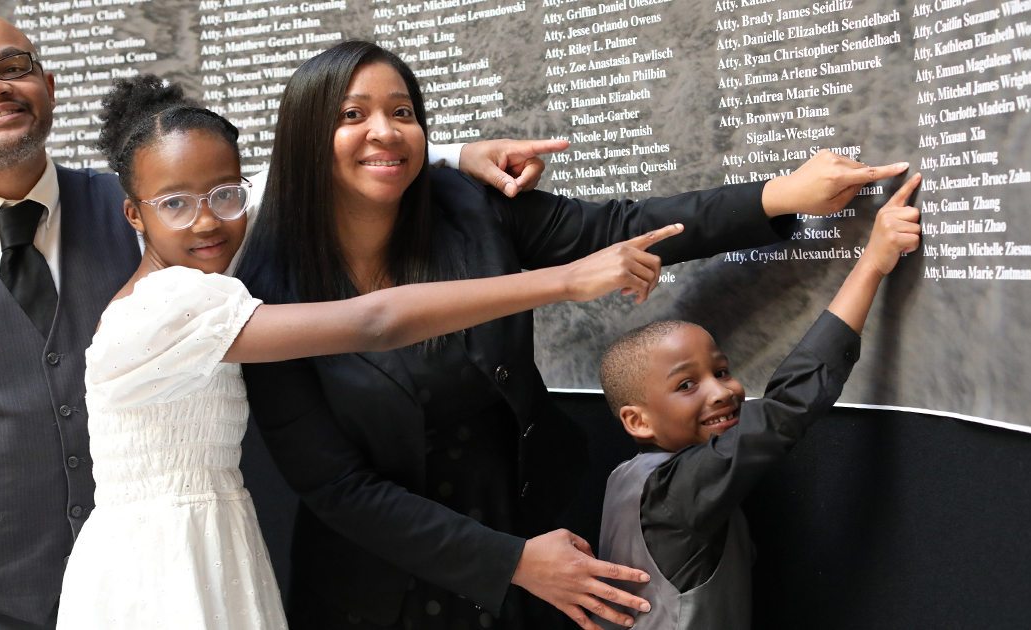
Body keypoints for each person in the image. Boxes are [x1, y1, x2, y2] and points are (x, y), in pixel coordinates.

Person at [0, 11, 574, 629]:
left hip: (189, 569)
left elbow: (297, 174)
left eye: (13, 66)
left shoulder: (165, 203)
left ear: (48, 86)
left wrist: (450, 155)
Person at [234, 40, 912, 630]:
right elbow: (336, 488)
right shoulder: (266, 284)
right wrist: (513, 564)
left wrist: (781, 195)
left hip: (530, 541)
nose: (384, 131)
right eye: (352, 115)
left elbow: (615, 228)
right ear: (304, 138)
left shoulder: (468, 207)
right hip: (383, 592)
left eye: (401, 111)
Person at [57, 73, 680, 630]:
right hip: (157, 560)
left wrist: (454, 153)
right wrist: (567, 279)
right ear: (134, 215)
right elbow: (376, 321)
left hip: (220, 538)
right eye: (174, 204)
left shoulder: (216, 272)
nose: (206, 222)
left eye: (225, 196)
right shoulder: (160, 312)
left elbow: (307, 165)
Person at [594, 173, 923, 630]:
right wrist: (872, 262)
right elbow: (788, 406)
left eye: (722, 371)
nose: (723, 391)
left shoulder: (625, 480)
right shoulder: (681, 487)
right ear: (638, 420)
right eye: (686, 385)